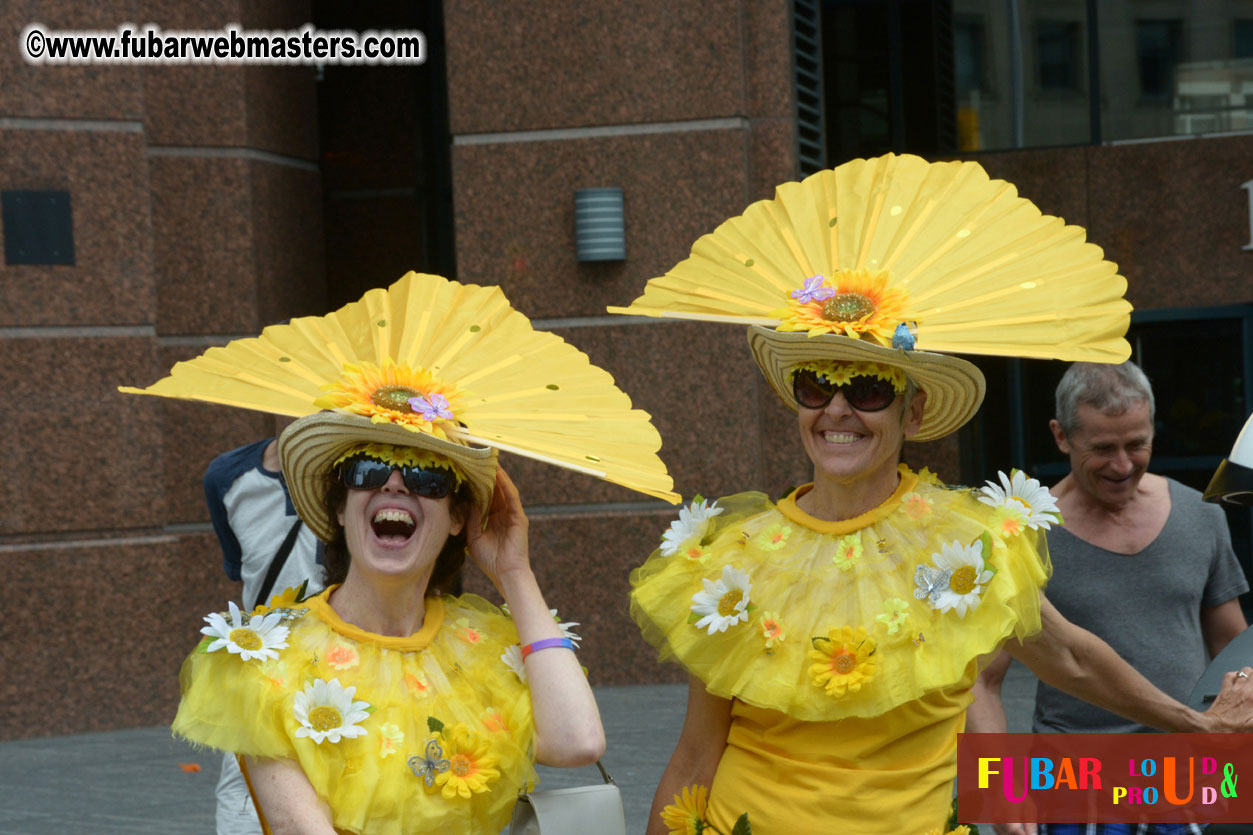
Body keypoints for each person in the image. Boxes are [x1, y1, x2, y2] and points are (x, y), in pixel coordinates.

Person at [611, 153, 1253, 835]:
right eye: (814, 385)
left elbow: (1065, 655)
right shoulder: (731, 561)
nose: (835, 409)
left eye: (866, 389)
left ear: (911, 414)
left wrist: (1196, 726)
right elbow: (694, 756)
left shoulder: (964, 546)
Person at [123, 271, 680, 834]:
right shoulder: (263, 663)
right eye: (367, 469)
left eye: (426, 474)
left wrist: (515, 572)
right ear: (339, 508)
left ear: (458, 518)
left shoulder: (487, 647)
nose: (394, 485)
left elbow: (577, 742)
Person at [968, 362, 1248, 835]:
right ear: (1061, 436)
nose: (1122, 465)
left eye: (1137, 444)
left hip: (1189, 782)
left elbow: (1234, 651)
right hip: (1074, 789)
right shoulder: (1023, 536)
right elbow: (982, 680)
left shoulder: (1200, 516)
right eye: (1102, 448)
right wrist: (1000, 791)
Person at [204, 435, 324, 835]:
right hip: (261, 678)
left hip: (360, 674)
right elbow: (243, 570)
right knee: (244, 810)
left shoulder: (377, 482)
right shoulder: (227, 477)